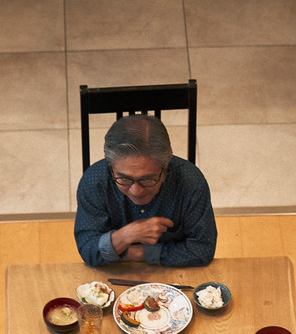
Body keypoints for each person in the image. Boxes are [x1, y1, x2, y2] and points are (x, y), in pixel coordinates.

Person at [74, 114, 217, 268]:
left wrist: (138, 253)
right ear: (111, 169)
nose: (136, 191)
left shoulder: (191, 182)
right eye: (124, 179)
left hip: (174, 275)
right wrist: (127, 235)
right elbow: (88, 250)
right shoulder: (95, 181)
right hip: (114, 274)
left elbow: (203, 250)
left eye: (148, 179)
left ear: (165, 168)